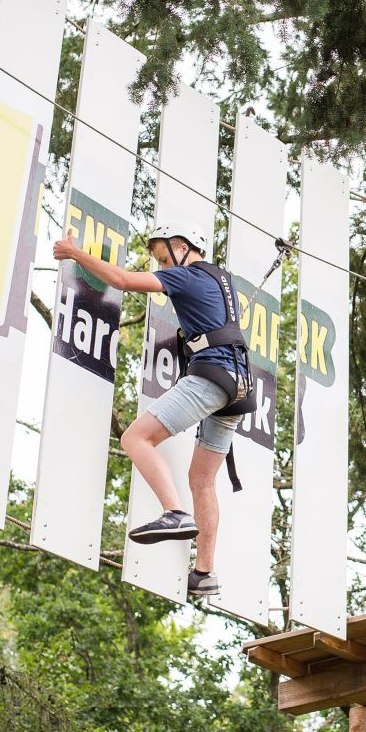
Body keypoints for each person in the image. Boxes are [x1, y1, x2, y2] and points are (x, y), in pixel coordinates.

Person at [52, 220, 249, 598]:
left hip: (213, 378)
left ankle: (174, 512)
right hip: (238, 388)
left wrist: (75, 254)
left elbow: (124, 281)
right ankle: (205, 572)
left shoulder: (187, 276)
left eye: (163, 259)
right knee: (202, 480)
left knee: (135, 437)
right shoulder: (220, 279)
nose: (162, 268)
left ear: (181, 245)